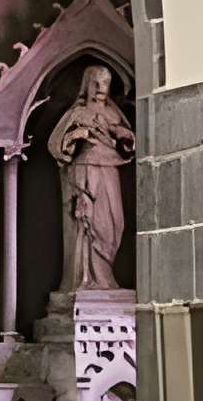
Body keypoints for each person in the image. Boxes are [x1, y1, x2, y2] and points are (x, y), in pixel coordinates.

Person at [46, 61, 136, 294]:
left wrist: (124, 136)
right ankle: (85, 279)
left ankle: (105, 278)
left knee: (114, 223)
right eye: (96, 82)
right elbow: (56, 145)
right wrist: (76, 134)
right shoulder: (78, 113)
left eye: (105, 82)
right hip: (86, 170)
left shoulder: (114, 113)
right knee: (88, 224)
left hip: (109, 169)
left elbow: (128, 146)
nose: (101, 87)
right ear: (87, 84)